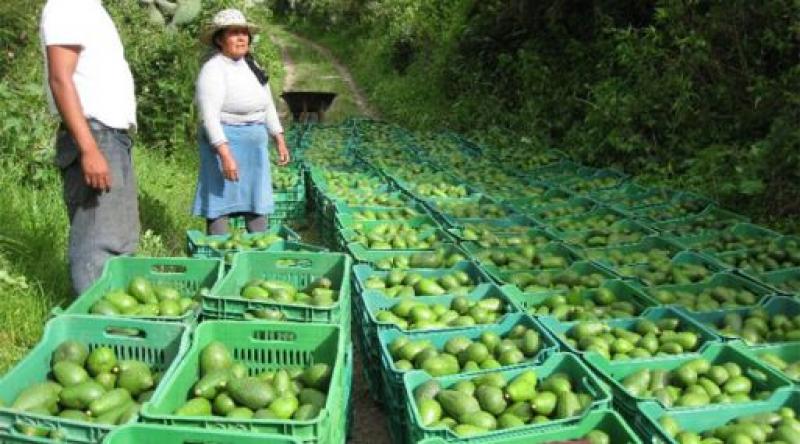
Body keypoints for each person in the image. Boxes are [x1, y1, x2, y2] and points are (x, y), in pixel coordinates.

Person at [40, 0, 140, 294]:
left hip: (111, 136)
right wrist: (89, 148)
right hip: (95, 135)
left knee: (120, 238)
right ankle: (94, 316)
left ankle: (115, 312)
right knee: (98, 240)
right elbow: (60, 79)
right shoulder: (67, 6)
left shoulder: (91, 7)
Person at [192, 8, 290, 235]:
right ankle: (218, 247)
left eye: (244, 33)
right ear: (219, 40)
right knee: (220, 199)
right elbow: (209, 117)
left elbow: (267, 105)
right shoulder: (213, 70)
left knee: (257, 198)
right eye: (233, 33)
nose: (241, 38)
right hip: (224, 143)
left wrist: (279, 139)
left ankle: (258, 246)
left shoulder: (253, 66)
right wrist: (225, 155)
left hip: (254, 145)